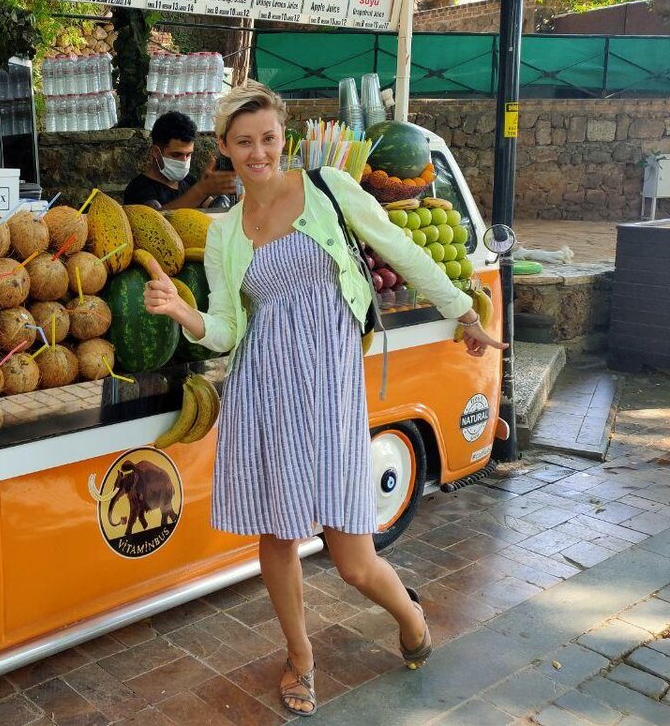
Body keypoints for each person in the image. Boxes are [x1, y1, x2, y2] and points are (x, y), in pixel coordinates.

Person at [142, 82, 504, 717]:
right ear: (224, 148)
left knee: (354, 559)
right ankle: (300, 658)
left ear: (284, 137)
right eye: (244, 142)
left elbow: (401, 250)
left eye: (269, 139)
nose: (259, 152)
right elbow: (228, 328)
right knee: (278, 538)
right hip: (264, 392)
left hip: (330, 390)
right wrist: (183, 313)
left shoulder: (329, 190)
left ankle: (409, 617)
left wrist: (460, 309)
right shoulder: (227, 233)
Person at [124, 111, 237, 210]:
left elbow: (211, 206)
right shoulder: (139, 188)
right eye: (176, 154)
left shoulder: (188, 181)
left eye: (188, 155)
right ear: (155, 152)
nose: (183, 161)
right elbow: (157, 220)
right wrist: (201, 190)